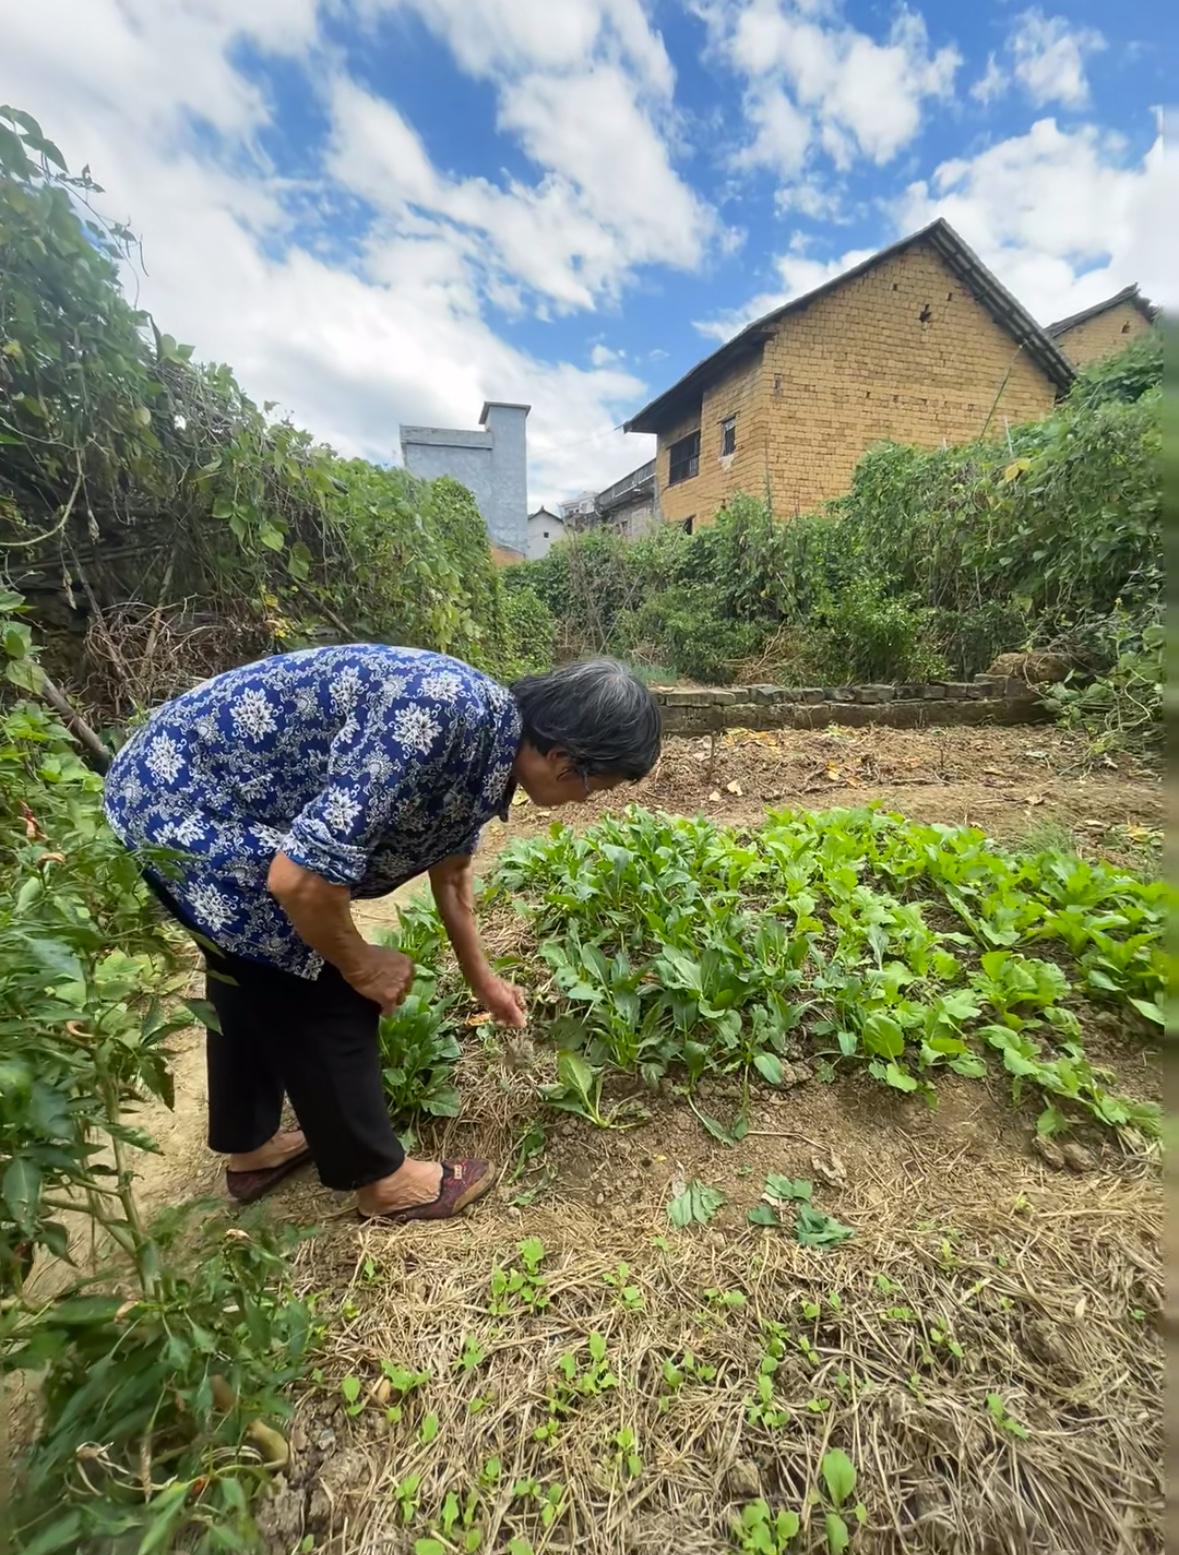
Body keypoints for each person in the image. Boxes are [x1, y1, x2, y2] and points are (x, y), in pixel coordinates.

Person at [103, 646, 660, 1223]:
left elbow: (453, 871)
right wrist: (362, 965)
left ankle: (252, 1149)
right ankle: (383, 1179)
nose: (587, 802)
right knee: (318, 975)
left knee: (249, 968)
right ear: (566, 761)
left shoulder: (489, 742)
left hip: (190, 791)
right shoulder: (443, 718)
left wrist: (485, 982)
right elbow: (300, 882)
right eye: (598, 788)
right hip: (181, 799)